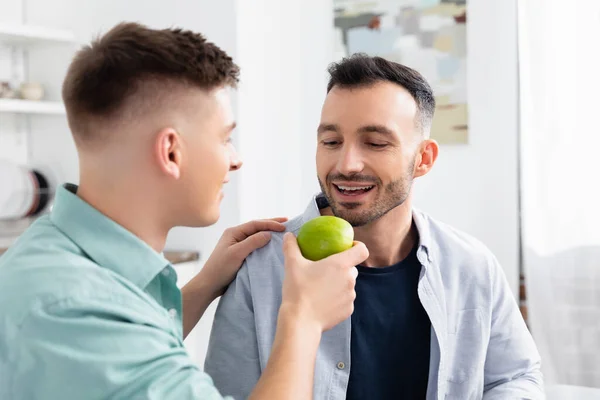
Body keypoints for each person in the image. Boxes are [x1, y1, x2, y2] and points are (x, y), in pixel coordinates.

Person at [0, 22, 369, 400]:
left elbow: (128, 360)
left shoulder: (52, 257)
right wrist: (303, 319)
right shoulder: (72, 310)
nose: (236, 160)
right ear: (171, 152)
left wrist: (205, 285)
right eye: (225, 138)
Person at [205, 54, 544, 399]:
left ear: (423, 159)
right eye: (331, 142)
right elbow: (224, 393)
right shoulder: (261, 268)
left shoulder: (471, 264)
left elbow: (516, 376)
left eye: (376, 143)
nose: (347, 164)